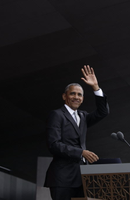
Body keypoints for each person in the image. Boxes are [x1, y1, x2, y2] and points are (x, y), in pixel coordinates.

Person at [44, 65, 109, 200]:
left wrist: (95, 87)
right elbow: (54, 145)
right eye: (72, 93)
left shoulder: (83, 116)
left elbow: (103, 112)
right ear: (64, 96)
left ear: (83, 99)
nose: (76, 97)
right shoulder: (56, 115)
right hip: (62, 178)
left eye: (79, 94)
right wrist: (81, 152)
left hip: (81, 178)